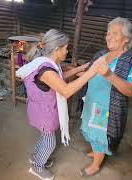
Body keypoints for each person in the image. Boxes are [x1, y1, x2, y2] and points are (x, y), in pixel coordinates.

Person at [16, 29, 107, 180]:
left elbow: (61, 77)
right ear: (57, 49)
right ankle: (37, 167)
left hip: (41, 109)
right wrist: (92, 72)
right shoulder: (46, 70)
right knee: (50, 142)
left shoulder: (49, 64)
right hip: (43, 112)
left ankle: (36, 158)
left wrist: (82, 68)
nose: (67, 51)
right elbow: (65, 90)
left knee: (45, 137)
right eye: (65, 48)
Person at [80, 17, 132, 177]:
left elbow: (131, 91)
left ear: (126, 39)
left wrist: (109, 75)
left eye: (115, 33)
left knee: (100, 135)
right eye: (108, 33)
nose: (109, 37)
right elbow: (87, 71)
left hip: (107, 108)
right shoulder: (101, 54)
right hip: (91, 101)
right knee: (90, 130)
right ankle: (96, 151)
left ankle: (95, 164)